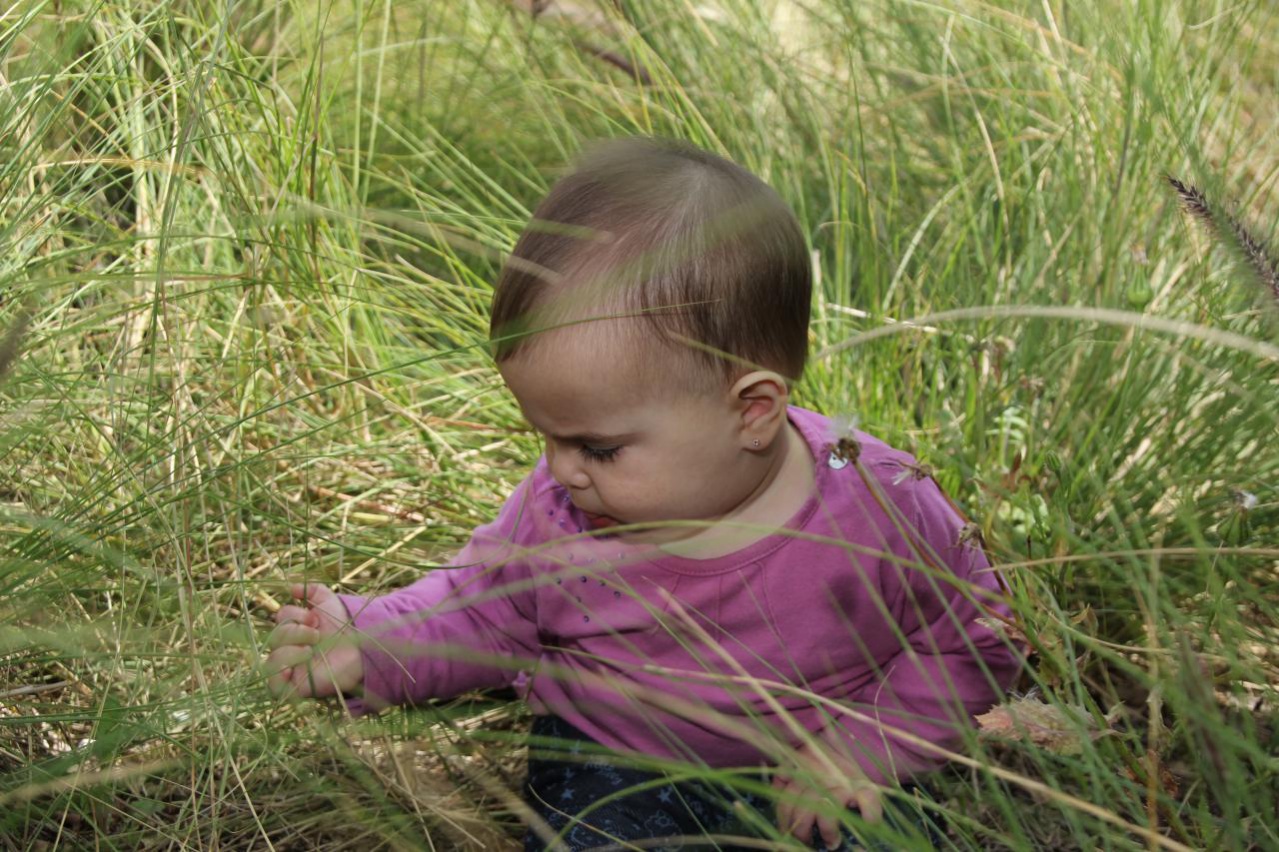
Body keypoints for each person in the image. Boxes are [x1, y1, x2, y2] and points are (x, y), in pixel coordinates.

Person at [265, 136, 1021, 850]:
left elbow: (978, 634)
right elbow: (483, 608)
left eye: (597, 447)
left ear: (752, 411)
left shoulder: (880, 504)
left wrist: (868, 746)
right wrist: (370, 642)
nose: (561, 471)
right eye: (545, 436)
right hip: (619, 758)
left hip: (823, 762)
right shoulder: (562, 514)